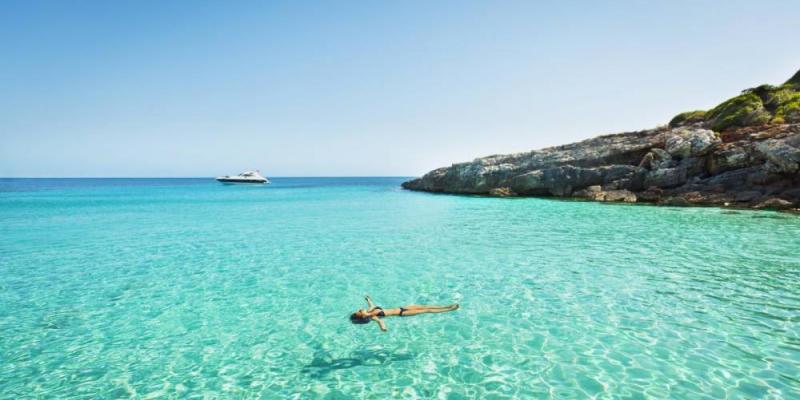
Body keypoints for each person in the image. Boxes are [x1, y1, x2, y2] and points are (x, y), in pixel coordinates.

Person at [350, 294, 459, 332]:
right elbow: (380, 322)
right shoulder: (373, 317)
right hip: (401, 313)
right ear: (362, 316)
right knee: (427, 310)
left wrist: (368, 299)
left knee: (424, 306)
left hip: (401, 308)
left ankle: (446, 306)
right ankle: (449, 309)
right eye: (359, 312)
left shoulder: (370, 311)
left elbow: (372, 305)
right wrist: (383, 328)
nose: (359, 309)